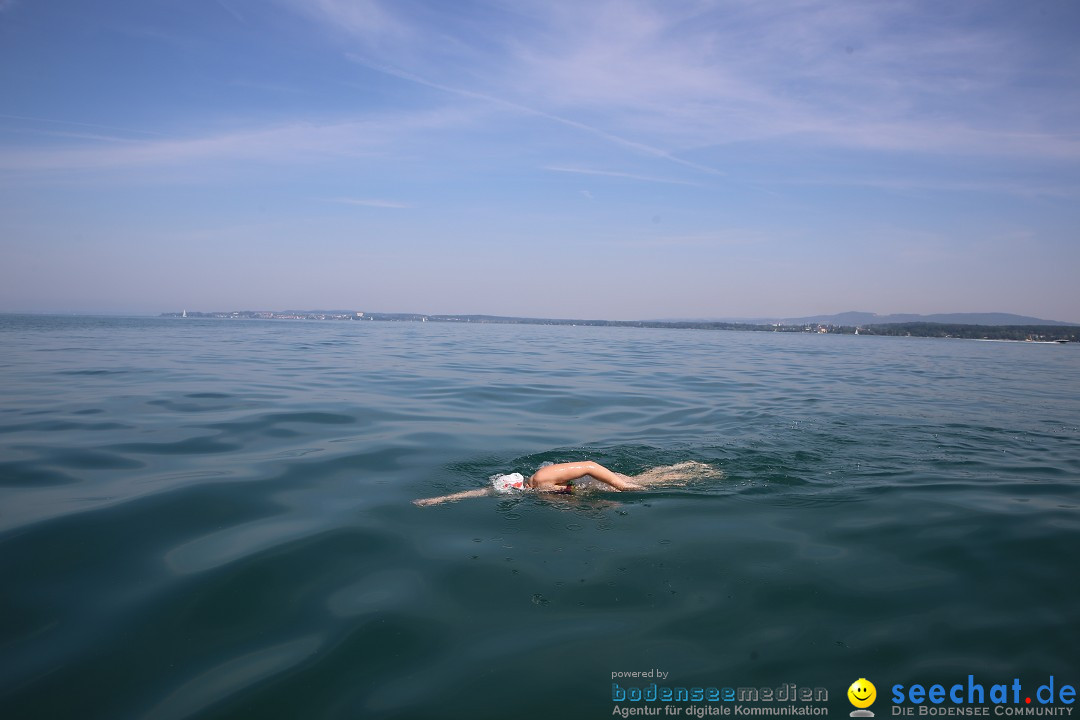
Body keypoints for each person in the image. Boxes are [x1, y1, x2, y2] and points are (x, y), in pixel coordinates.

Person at [413, 460, 712, 506]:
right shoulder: (531, 492)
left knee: (649, 482)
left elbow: (591, 466)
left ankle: (692, 469)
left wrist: (621, 488)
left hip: (603, 479)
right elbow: (477, 492)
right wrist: (438, 500)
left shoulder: (541, 479)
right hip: (591, 489)